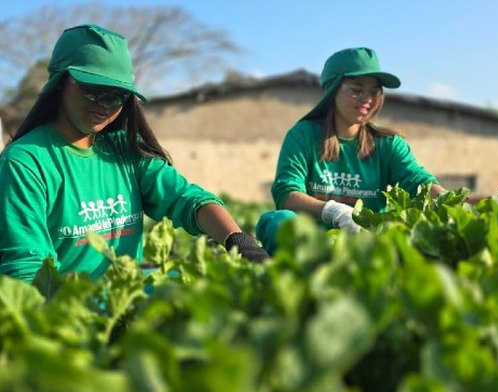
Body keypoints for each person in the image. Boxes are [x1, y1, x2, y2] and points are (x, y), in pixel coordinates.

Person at [0, 24, 268, 283]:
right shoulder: (26, 162)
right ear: (60, 82)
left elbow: (186, 199)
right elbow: (28, 268)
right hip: (70, 313)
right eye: (94, 91)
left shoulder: (125, 149)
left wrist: (240, 241)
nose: (105, 105)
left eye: (117, 96)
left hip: (126, 296)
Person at [256, 47, 446, 255]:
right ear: (332, 90)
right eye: (356, 90)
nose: (367, 99)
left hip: (365, 246)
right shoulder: (304, 135)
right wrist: (332, 211)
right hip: (311, 246)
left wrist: (450, 202)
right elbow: (287, 193)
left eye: (374, 92)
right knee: (276, 222)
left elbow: (418, 180)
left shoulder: (388, 144)